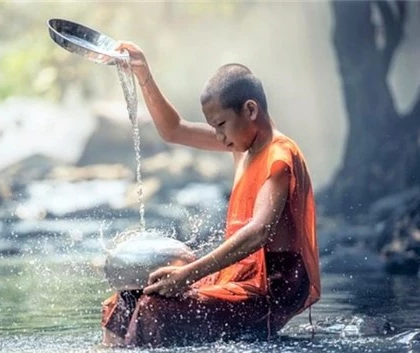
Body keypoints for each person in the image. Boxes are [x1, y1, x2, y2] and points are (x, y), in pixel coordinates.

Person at [100, 41, 321, 348]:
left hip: (270, 289)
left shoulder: (279, 155)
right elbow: (174, 130)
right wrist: (143, 74)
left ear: (250, 110)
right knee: (124, 299)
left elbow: (259, 231)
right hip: (238, 276)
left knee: (154, 308)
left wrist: (188, 274)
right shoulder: (241, 143)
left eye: (220, 125)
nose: (218, 137)